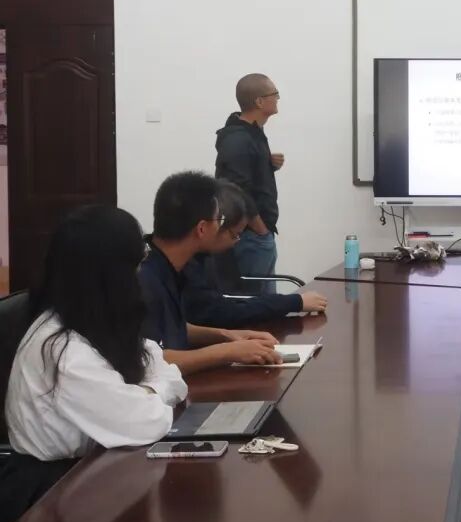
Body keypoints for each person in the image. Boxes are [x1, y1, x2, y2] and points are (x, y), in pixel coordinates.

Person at [4, 206, 188, 462]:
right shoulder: (63, 351)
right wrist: (154, 392)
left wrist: (147, 393)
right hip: (56, 479)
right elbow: (145, 422)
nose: (139, 275)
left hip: (95, 464)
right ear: (113, 275)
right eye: (137, 262)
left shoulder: (89, 320)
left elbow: (164, 367)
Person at [139, 171, 283, 375]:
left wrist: (227, 336)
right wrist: (228, 352)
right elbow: (149, 360)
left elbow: (172, 329)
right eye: (218, 219)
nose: (221, 226)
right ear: (202, 228)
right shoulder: (143, 279)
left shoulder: (167, 265)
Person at [182, 180, 327, 328]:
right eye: (235, 235)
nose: (236, 241)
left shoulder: (204, 255)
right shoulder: (185, 265)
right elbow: (221, 312)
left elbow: (223, 307)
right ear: (206, 227)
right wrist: (293, 302)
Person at [215, 73, 284, 291]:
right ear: (260, 102)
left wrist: (267, 163)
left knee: (266, 304)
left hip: (257, 236)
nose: (278, 98)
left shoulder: (252, 132)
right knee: (255, 303)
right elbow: (235, 190)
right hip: (251, 238)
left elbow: (245, 173)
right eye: (275, 94)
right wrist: (260, 230)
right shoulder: (238, 139)